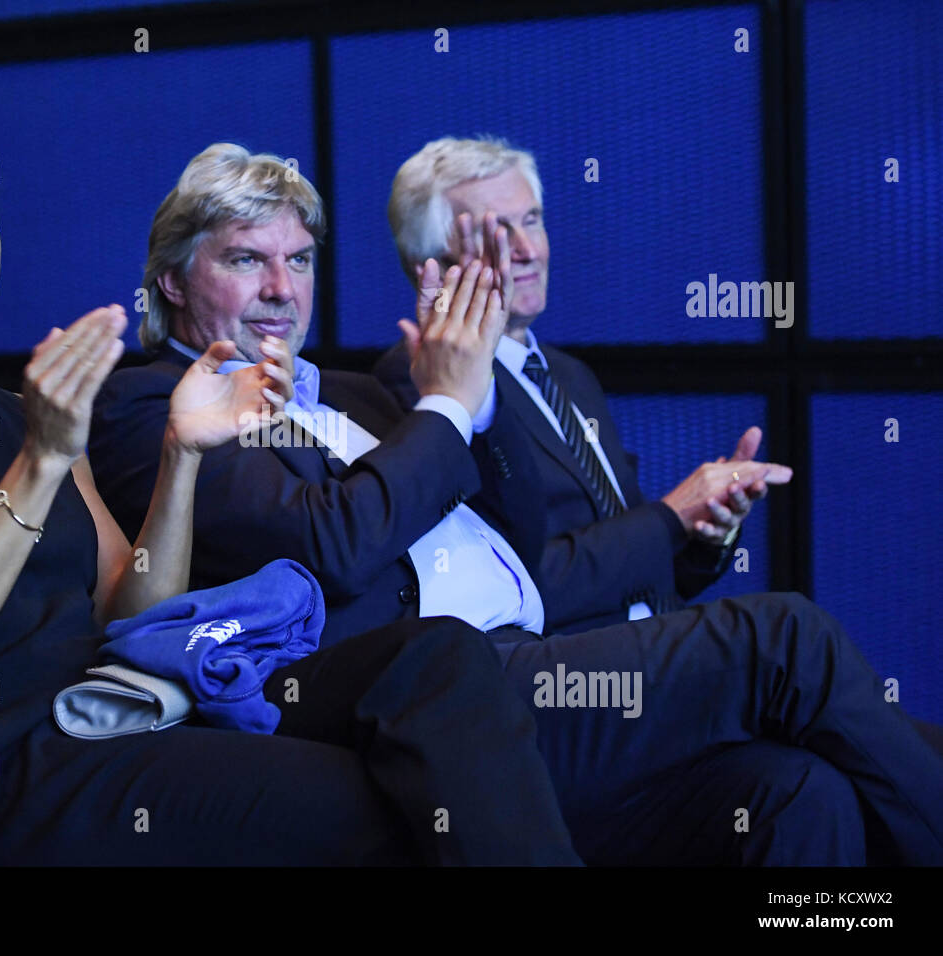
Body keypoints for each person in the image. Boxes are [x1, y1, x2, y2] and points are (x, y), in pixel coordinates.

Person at [0, 70, 582, 866]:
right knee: (378, 803)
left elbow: (134, 612)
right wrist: (43, 462)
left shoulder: (23, 411)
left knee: (434, 657)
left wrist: (181, 457)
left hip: (121, 711)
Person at [89, 142, 943, 865]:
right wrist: (448, 403)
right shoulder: (153, 406)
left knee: (797, 792)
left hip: (536, 662)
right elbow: (335, 544)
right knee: (784, 636)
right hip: (457, 694)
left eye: (299, 259)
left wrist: (480, 393)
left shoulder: (350, 394)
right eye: (246, 259)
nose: (282, 286)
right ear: (171, 282)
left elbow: (515, 538)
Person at [374, 136, 784, 634]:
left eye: (532, 220)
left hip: (656, 646)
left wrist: (707, 527)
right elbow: (509, 584)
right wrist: (672, 515)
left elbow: (646, 569)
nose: (527, 251)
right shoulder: (421, 383)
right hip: (567, 681)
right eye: (497, 233)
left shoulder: (568, 375)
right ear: (433, 269)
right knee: (789, 632)